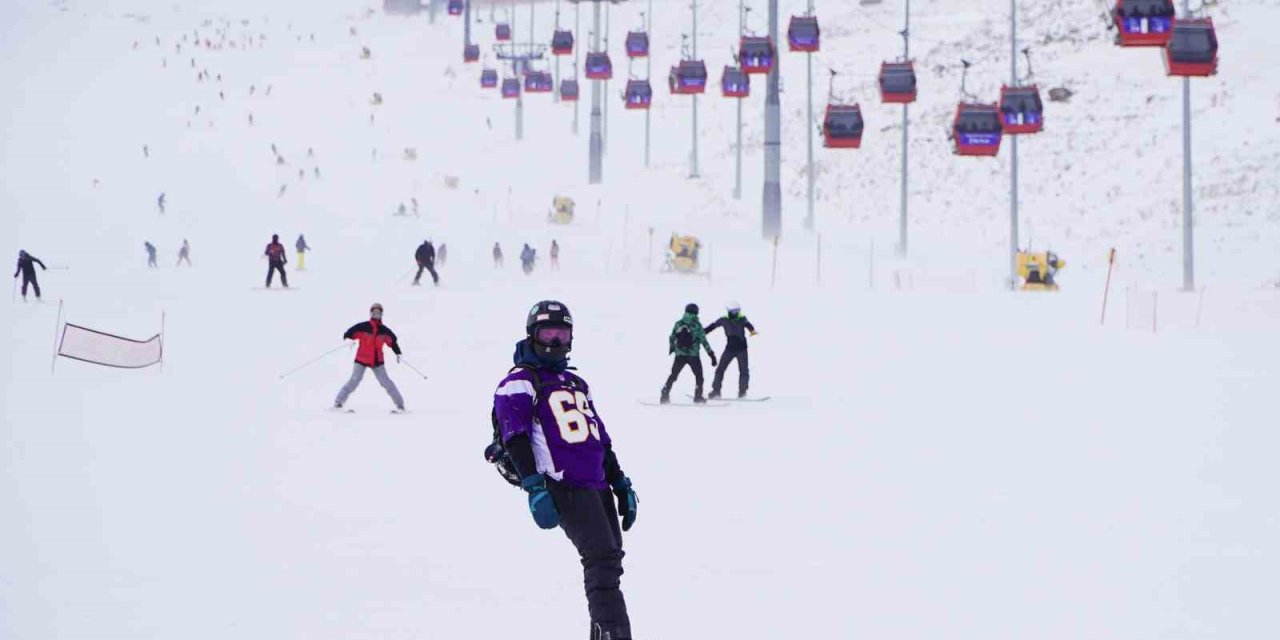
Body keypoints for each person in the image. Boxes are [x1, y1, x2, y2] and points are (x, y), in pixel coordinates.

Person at [492, 300, 638, 640]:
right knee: (601, 561)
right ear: (532, 334)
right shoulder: (519, 381)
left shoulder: (575, 382)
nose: (554, 342)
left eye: (562, 334)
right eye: (547, 333)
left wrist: (620, 483)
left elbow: (599, 438)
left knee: (610, 559)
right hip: (563, 485)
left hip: (596, 484)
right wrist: (534, 487)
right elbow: (515, 437)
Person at [334, 303, 405, 412]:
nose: (376, 315)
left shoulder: (384, 330)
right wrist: (349, 340)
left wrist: (398, 353)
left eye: (379, 313)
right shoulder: (363, 327)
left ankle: (400, 406)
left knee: (386, 382)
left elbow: (393, 341)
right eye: (374, 313)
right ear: (371, 314)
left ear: (382, 314)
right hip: (361, 360)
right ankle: (338, 403)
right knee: (354, 381)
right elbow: (348, 333)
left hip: (377, 362)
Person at [661, 303, 717, 404]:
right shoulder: (697, 325)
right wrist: (711, 355)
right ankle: (698, 397)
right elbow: (704, 341)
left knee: (673, 375)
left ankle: (664, 394)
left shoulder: (678, 323)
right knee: (699, 377)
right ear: (696, 312)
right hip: (693, 356)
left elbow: (672, 337)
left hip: (680, 355)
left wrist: (673, 349)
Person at [704, 301, 757, 399]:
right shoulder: (723, 320)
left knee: (744, 370)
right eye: (734, 311)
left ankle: (742, 391)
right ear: (729, 311)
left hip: (742, 349)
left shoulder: (742, 318)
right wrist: (702, 332)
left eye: (737, 310)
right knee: (720, 369)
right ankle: (716, 391)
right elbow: (712, 326)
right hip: (730, 349)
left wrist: (752, 330)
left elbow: (749, 325)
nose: (736, 313)